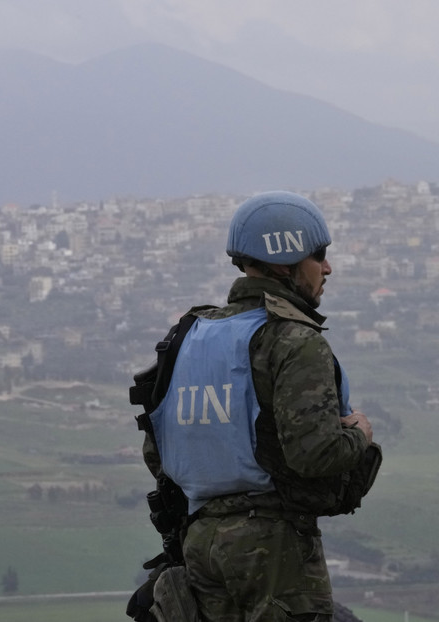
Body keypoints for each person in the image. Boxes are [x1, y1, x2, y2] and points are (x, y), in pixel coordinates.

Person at [140, 191, 376, 621]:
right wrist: (359, 434)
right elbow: (315, 453)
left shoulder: (189, 337)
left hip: (199, 542)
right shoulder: (293, 340)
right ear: (286, 263)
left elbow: (158, 450)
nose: (327, 268)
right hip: (272, 549)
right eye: (317, 255)